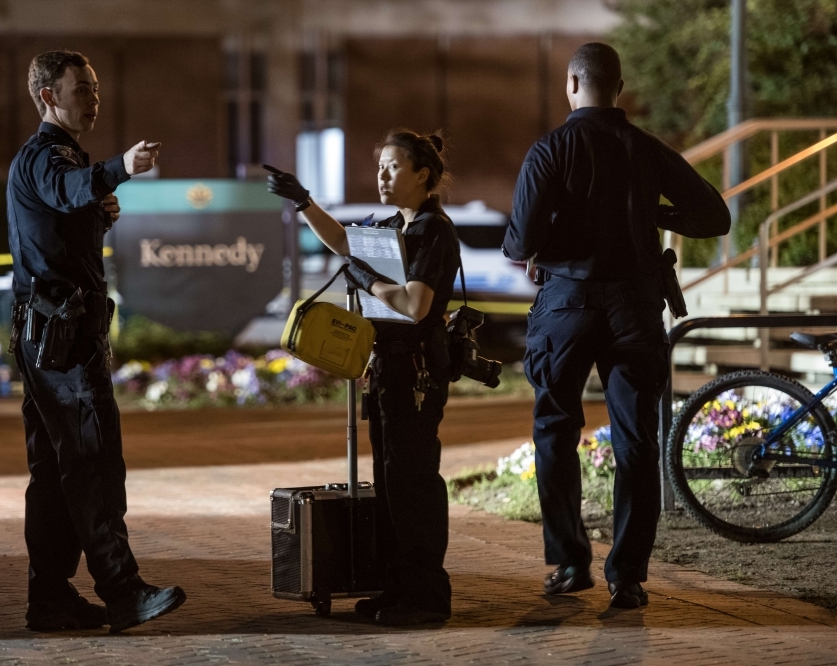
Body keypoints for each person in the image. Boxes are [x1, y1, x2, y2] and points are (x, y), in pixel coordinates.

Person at [502, 42, 730, 608]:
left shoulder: (550, 149)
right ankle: (626, 575)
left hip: (566, 306)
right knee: (635, 441)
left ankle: (570, 561)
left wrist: (548, 241)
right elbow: (714, 216)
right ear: (619, 88)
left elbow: (518, 243)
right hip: (633, 308)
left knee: (555, 429)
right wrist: (651, 213)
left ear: (572, 85)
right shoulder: (646, 149)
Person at [8, 50, 186, 633]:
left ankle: (51, 599)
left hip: (49, 340)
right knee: (93, 465)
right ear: (47, 98)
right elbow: (65, 189)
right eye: (80, 88)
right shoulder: (47, 156)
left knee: (57, 475)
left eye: (94, 87)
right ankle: (123, 589)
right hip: (62, 342)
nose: (92, 97)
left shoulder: (53, 159)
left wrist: (97, 215)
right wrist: (120, 170)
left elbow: (59, 221)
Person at [264, 130, 461, 626]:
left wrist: (367, 280)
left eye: (394, 168)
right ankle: (396, 591)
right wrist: (304, 201)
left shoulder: (433, 232)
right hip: (388, 369)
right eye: (380, 167)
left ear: (424, 175)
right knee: (391, 483)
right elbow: (343, 243)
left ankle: (426, 597)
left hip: (415, 371)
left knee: (413, 484)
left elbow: (416, 306)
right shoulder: (393, 225)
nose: (383, 176)